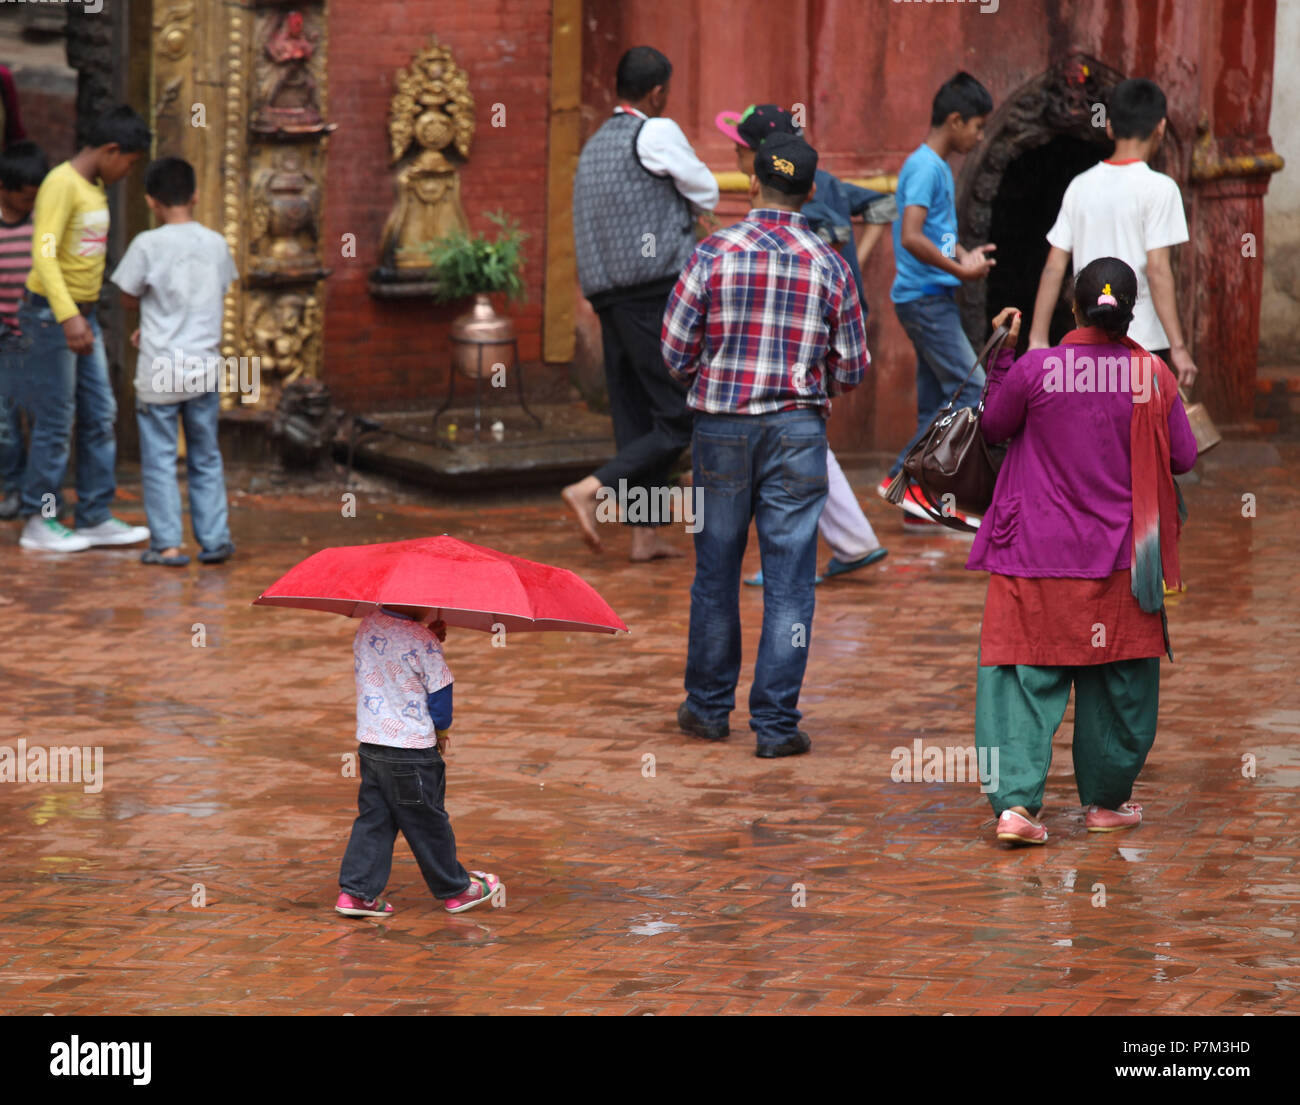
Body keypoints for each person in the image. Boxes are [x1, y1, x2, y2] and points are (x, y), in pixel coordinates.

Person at [968, 257, 1196, 846]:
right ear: (1130, 313)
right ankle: (1106, 802)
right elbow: (1185, 458)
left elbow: (994, 426)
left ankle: (1015, 808)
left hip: (1033, 554)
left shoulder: (1037, 369)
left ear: (1075, 307)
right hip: (1123, 561)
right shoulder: (1152, 376)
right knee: (1117, 681)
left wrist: (1000, 360)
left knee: (1023, 673)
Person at [663, 133, 869, 758]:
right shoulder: (829, 261)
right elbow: (854, 366)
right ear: (810, 193)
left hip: (720, 430)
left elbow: (674, 349)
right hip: (799, 434)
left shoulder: (713, 252)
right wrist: (811, 381)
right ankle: (777, 726)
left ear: (751, 183)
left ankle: (706, 709)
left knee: (715, 573)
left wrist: (717, 371)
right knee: (789, 584)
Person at [715, 104, 891, 585]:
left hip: (803, 330)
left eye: (741, 148)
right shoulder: (823, 182)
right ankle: (853, 543)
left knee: (792, 436)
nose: (734, 153)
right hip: (831, 326)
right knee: (804, 434)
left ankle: (800, 556)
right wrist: (855, 264)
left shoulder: (788, 209)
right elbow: (881, 207)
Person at [564, 46, 719, 561]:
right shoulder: (654, 131)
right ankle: (591, 489)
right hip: (654, 291)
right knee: (680, 414)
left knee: (635, 412)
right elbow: (708, 189)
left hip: (606, 296)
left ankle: (643, 536)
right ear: (657, 93)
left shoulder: (593, 145)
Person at [17, 104, 151, 553]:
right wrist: (68, 315)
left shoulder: (93, 187)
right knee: (56, 422)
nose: (126, 173)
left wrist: (82, 316)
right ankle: (40, 518)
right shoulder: (61, 185)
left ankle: (93, 515)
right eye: (128, 164)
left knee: (101, 414)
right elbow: (45, 254)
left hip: (83, 317)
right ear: (112, 150)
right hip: (54, 317)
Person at [876, 72, 997, 529]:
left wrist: (965, 254)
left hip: (929, 298)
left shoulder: (935, 166)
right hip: (926, 301)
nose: (980, 135)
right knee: (973, 388)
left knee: (934, 407)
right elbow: (910, 236)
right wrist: (961, 271)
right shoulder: (927, 167)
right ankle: (899, 478)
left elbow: (933, 236)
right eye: (977, 126)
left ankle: (917, 506)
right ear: (954, 120)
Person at [1027, 78, 1197, 389]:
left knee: (1092, 430)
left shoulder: (1080, 185)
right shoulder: (1160, 189)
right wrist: (1179, 347)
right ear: (1160, 127)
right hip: (1141, 342)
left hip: (1086, 341)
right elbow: (1158, 270)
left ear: (1109, 127)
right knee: (1139, 432)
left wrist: (1037, 337)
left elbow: (1054, 266)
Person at [109, 156, 237, 567]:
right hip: (203, 368)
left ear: (151, 201)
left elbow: (128, 296)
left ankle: (166, 546)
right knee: (205, 455)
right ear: (195, 196)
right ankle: (214, 540)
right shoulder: (216, 243)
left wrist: (153, 320)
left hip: (160, 367)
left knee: (160, 459)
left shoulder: (147, 244)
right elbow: (219, 292)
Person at [336, 607, 503, 918]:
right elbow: (440, 693)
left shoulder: (368, 624)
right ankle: (457, 889)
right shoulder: (420, 638)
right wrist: (441, 730)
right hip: (411, 750)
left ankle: (356, 892)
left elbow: (393, 659)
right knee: (427, 821)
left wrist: (428, 636)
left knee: (375, 818)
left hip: (373, 745)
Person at [0, 140, 47, 519]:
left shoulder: (41, 227)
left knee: (43, 418)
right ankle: (13, 487)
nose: (30, 205)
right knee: (5, 421)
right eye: (24, 198)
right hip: (4, 338)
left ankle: (41, 494)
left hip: (38, 334)